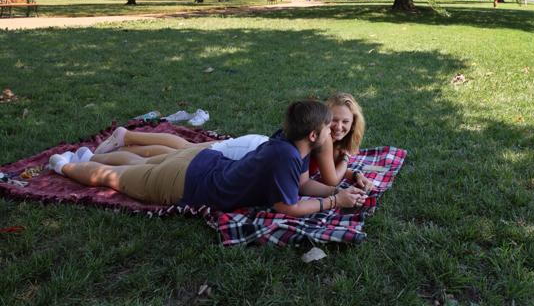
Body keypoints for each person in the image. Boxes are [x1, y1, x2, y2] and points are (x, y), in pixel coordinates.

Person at [49, 100, 367, 216]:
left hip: (200, 164)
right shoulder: (285, 157)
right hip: (189, 181)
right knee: (116, 180)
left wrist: (339, 191)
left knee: (140, 166)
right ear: (313, 136)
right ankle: (65, 165)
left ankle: (89, 156)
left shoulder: (290, 144)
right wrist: (334, 203)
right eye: (328, 128)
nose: (333, 132)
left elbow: (303, 186)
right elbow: (288, 207)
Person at [89, 93, 372, 191]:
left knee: (180, 152)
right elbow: (332, 180)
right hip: (245, 153)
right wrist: (349, 159)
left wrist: (354, 172)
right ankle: (125, 139)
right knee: (180, 152)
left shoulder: (323, 138)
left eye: (346, 123)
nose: (338, 127)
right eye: (334, 120)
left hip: (254, 148)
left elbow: (326, 173)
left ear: (354, 124)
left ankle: (127, 139)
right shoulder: (322, 139)